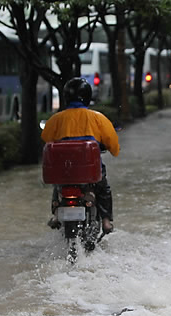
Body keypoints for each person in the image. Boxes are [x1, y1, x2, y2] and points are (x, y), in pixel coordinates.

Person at [41, 77, 120, 234]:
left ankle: (56, 214)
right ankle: (105, 221)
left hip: (64, 171)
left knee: (58, 187)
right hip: (91, 174)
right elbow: (114, 147)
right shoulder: (98, 118)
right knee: (104, 189)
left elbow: (46, 138)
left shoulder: (56, 119)